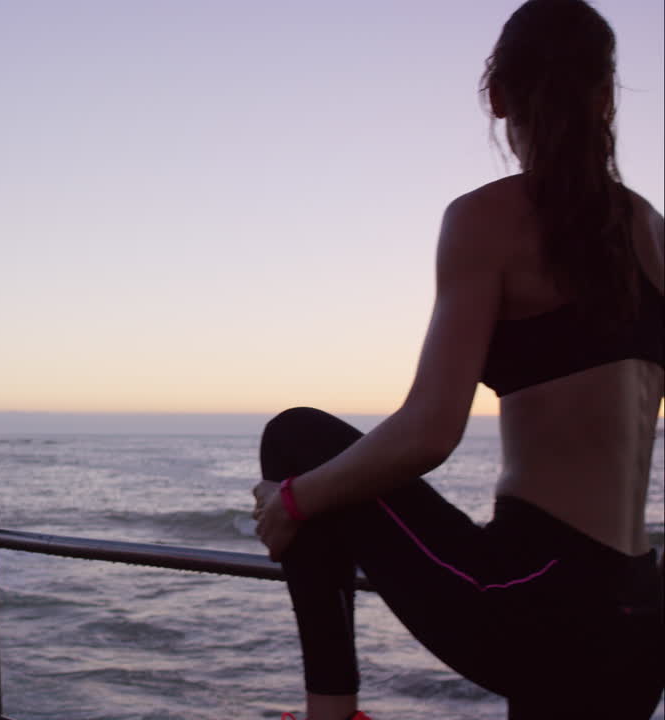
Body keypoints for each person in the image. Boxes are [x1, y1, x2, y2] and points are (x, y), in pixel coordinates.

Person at [251, 1, 664, 718]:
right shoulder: (655, 233)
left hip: (537, 600)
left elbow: (430, 430)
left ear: (498, 97)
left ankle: (331, 712)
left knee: (297, 441)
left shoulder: (487, 219)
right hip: (642, 619)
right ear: (605, 100)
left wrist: (292, 500)